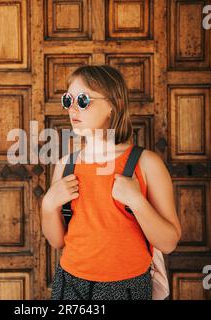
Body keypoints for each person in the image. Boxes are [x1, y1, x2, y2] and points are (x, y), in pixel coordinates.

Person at [41, 65, 181, 300]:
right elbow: (56, 241)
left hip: (127, 287)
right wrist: (48, 205)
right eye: (68, 100)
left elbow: (168, 243)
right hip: (70, 284)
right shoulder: (66, 165)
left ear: (112, 105)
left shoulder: (146, 164)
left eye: (83, 100)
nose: (72, 108)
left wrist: (137, 200)